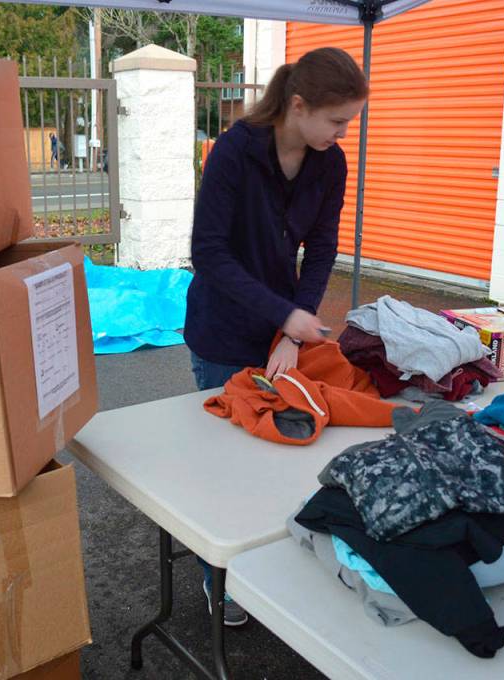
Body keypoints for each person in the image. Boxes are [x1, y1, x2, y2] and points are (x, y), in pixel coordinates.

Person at [184, 47, 369, 626]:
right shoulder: (236, 152)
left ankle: (258, 569)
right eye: (337, 121)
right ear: (297, 105)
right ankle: (216, 576)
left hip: (280, 331)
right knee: (223, 464)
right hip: (221, 328)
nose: (343, 133)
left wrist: (296, 323)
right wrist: (283, 316)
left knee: (273, 453)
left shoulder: (328, 162)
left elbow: (322, 249)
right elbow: (208, 253)